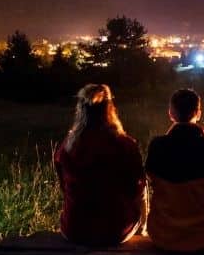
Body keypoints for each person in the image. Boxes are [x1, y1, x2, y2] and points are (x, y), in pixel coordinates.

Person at [145, 88, 204, 252]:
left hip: (161, 235)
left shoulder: (157, 146)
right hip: (200, 237)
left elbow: (148, 176)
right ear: (198, 113)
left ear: (171, 113)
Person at [54, 83, 146, 245]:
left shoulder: (67, 147)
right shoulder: (125, 145)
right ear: (110, 109)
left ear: (80, 111)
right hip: (116, 231)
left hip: (75, 231)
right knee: (142, 189)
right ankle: (143, 229)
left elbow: (64, 186)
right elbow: (136, 188)